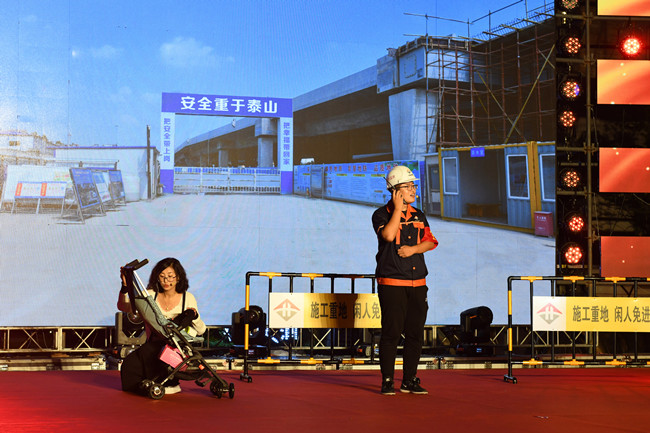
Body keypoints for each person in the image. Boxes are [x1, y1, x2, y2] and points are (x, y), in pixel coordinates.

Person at [372, 165, 438, 395]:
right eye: (408, 187)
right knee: (391, 333)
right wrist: (398, 210)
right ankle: (387, 381)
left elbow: (430, 242)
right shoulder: (381, 214)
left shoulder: (419, 215)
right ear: (395, 190)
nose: (413, 190)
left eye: (414, 186)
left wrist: (413, 250)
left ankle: (409, 380)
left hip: (418, 284)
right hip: (392, 283)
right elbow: (389, 235)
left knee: (415, 334)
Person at [117, 257, 206, 395]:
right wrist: (124, 286)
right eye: (162, 276)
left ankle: (169, 384)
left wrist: (194, 316)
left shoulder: (187, 298)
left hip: (176, 347)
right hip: (153, 342)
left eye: (170, 276)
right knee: (130, 365)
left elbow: (201, 330)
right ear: (157, 277)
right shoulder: (150, 295)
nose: (166, 280)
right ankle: (147, 385)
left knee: (150, 352)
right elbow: (124, 307)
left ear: (178, 278)